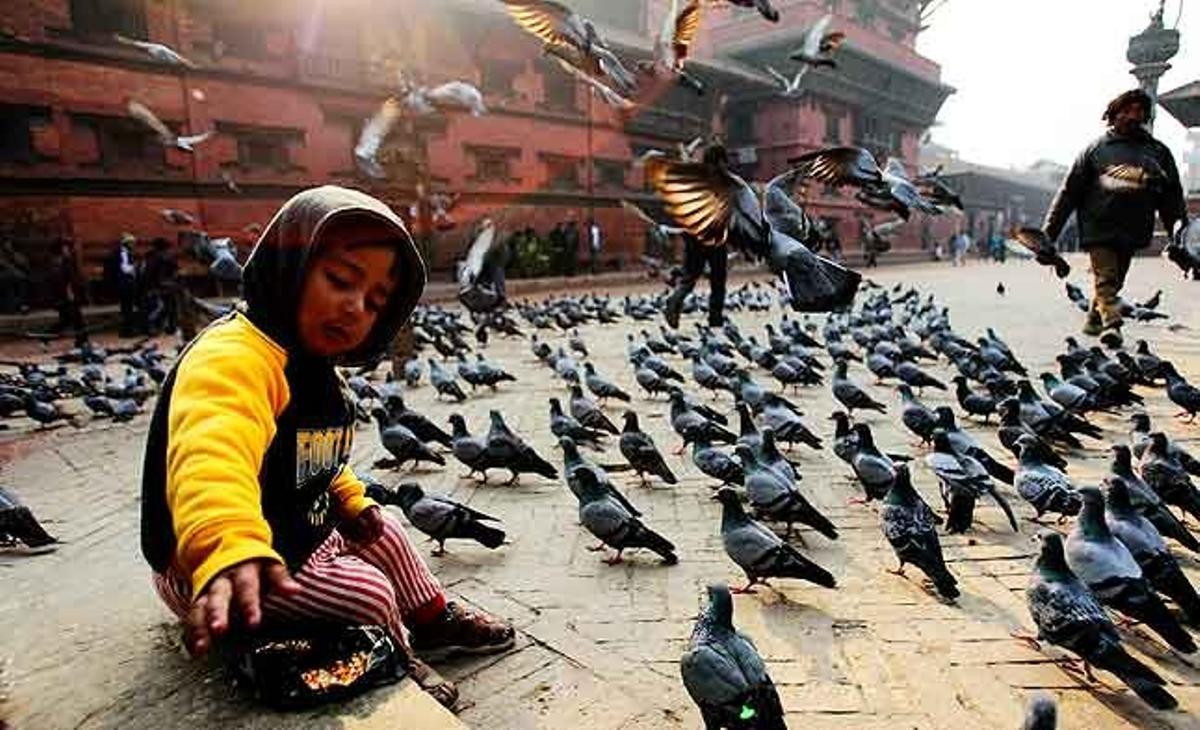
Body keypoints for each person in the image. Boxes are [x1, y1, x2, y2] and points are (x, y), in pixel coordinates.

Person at [139, 186, 514, 709]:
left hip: (294, 535)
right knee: (369, 589)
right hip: (225, 565)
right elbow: (210, 456)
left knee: (387, 533)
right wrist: (227, 546)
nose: (355, 307)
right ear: (289, 267)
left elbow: (315, 458)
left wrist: (353, 503)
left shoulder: (312, 364)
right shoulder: (235, 357)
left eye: (376, 302)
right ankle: (398, 658)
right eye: (340, 280)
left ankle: (429, 617)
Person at [1042, 88, 1189, 335]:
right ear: (1113, 114)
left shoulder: (1158, 152)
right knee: (1107, 279)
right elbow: (1069, 193)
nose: (1133, 115)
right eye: (1127, 110)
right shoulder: (1094, 150)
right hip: (1098, 225)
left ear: (1146, 116)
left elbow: (1171, 196)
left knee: (1113, 282)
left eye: (1139, 111)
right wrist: (1048, 235)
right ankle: (1112, 324)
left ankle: (1093, 322)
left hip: (1134, 227)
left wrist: (1181, 235)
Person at [664, 232, 727, 329]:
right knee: (718, 281)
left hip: (694, 237)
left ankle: (674, 300)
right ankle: (715, 319)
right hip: (715, 238)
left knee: (689, 277)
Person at [52, 237, 88, 346]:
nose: (68, 250)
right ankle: (45, 336)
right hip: (66, 295)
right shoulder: (60, 262)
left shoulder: (69, 260)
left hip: (72, 294)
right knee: (72, 320)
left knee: (70, 320)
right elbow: (63, 280)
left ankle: (82, 341)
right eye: (65, 248)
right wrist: (69, 293)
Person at [142, 237, 180, 335]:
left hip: (152, 287)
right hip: (163, 287)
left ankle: (158, 328)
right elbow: (174, 272)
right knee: (165, 308)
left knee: (159, 308)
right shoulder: (166, 257)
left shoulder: (148, 257)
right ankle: (168, 327)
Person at [109, 233, 140, 336]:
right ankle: (127, 331)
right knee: (127, 308)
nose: (133, 245)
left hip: (124, 283)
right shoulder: (123, 253)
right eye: (132, 243)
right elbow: (125, 269)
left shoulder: (124, 252)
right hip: (125, 284)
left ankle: (128, 329)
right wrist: (135, 267)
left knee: (127, 308)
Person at [0, 238, 29, 314]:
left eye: (10, 243)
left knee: (20, 281)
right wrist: (16, 272)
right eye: (7, 243)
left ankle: (21, 305)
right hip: (3, 275)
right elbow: (5, 265)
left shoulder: (13, 253)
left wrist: (13, 252)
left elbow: (24, 261)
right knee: (16, 278)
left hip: (11, 276)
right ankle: (18, 306)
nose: (9, 245)